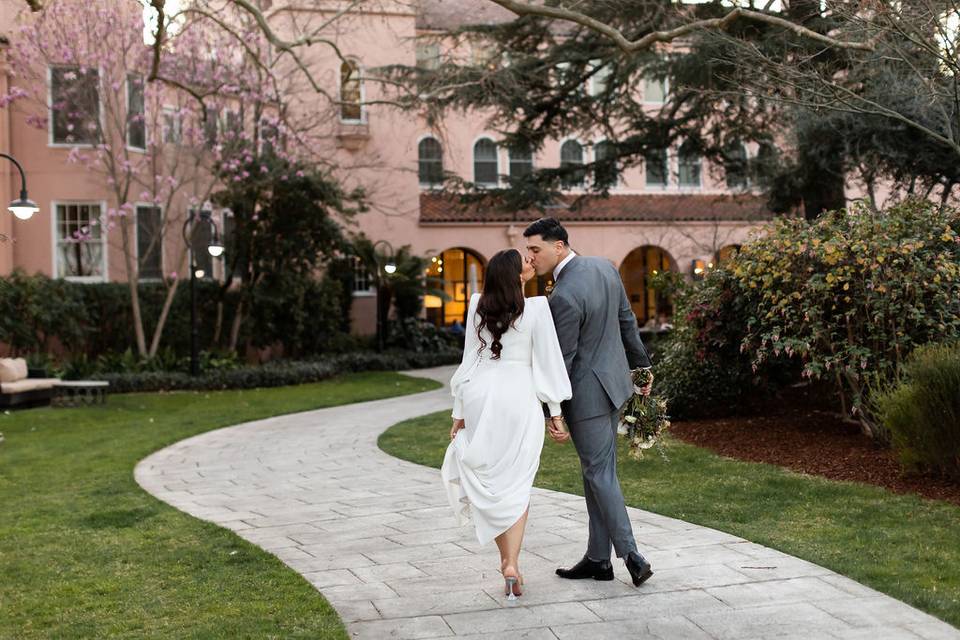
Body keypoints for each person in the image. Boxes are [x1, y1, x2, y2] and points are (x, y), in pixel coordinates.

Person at [523, 217, 656, 588]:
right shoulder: (604, 267)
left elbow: (560, 361)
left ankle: (632, 555)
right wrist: (642, 367)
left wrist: (553, 411)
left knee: (599, 474)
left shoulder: (562, 296)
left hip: (588, 397)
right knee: (597, 473)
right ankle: (598, 559)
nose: (530, 258)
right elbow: (627, 322)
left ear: (559, 247)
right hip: (614, 388)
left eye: (535, 249)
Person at [441, 249, 571, 600]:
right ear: (515, 276)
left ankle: (506, 561)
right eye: (525, 263)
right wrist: (555, 413)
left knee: (494, 482)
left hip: (480, 397)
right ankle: (511, 562)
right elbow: (547, 364)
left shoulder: (477, 305)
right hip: (519, 399)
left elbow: (469, 359)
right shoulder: (538, 309)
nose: (531, 263)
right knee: (518, 482)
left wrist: (459, 412)